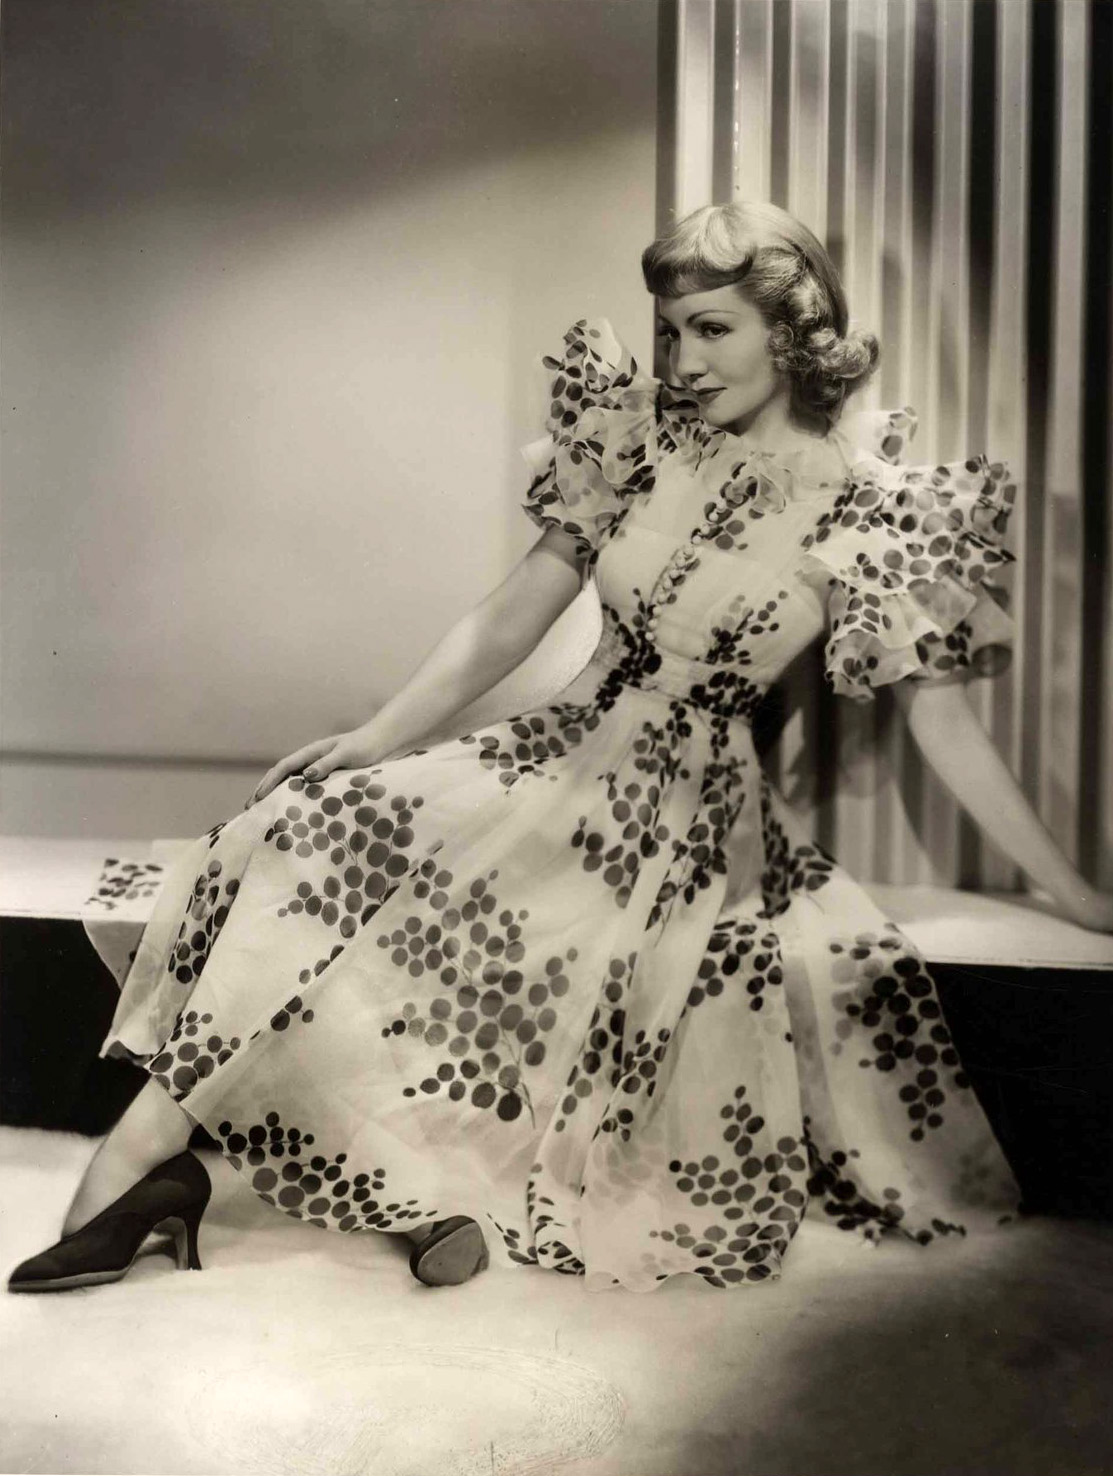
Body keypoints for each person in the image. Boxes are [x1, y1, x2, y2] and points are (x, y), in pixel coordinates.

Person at [10, 200, 1112, 1296]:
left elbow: (942, 725)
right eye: (670, 330)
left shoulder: (877, 511)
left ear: (791, 330)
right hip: (553, 752)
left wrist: (1070, 894)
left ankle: (161, 1186)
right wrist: (377, 738)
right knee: (313, 826)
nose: (683, 360)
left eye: (713, 329)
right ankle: (172, 1168)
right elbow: (513, 613)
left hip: (687, 826)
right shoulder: (637, 440)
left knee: (467, 921)